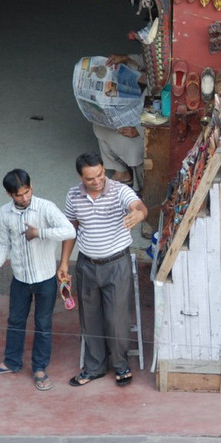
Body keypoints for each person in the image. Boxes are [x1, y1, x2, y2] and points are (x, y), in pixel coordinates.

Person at [0, 168, 76, 392]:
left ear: (31, 187)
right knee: (15, 321)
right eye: (19, 195)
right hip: (20, 278)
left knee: (43, 324)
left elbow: (69, 231)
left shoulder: (46, 207)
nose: (24, 198)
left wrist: (39, 233)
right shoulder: (4, 213)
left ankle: (40, 368)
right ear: (9, 195)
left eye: (27, 192)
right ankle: (11, 362)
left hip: (45, 279)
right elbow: (4, 244)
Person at [60, 152, 149, 388]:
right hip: (87, 264)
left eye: (100, 174)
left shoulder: (119, 190)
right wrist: (64, 263)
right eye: (90, 178)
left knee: (116, 318)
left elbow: (138, 206)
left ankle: (121, 364)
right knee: (90, 318)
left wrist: (139, 214)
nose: (97, 181)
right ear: (80, 177)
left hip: (116, 264)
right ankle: (94, 367)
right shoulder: (73, 195)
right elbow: (71, 229)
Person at [91, 53, 145, 191]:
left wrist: (139, 130)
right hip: (139, 108)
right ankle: (121, 171)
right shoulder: (162, 55)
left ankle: (131, 177)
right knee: (100, 124)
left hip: (146, 127)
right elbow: (145, 62)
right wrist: (126, 58)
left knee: (126, 138)